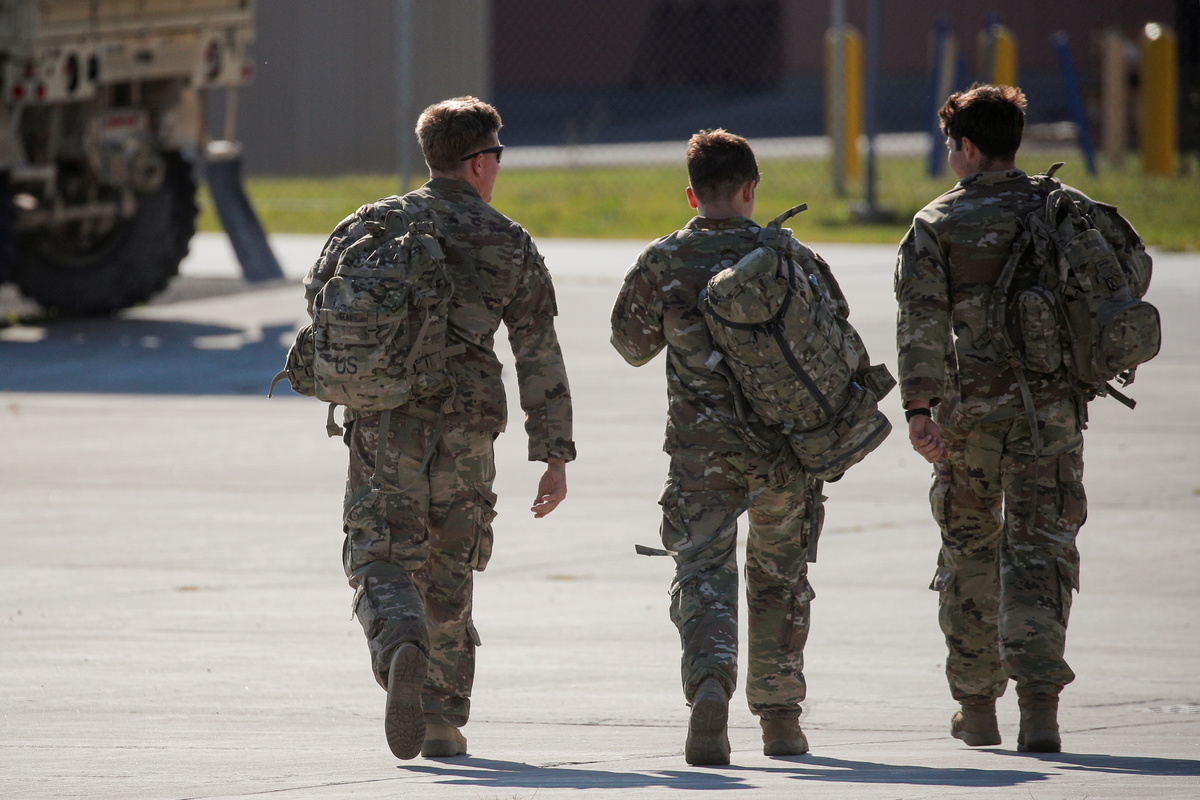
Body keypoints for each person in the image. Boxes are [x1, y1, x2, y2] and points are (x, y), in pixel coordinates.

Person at [303, 96, 576, 761]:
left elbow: (321, 304)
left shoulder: (373, 225)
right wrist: (554, 453)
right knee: (451, 566)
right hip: (467, 427)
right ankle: (441, 721)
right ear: (478, 162)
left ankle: (400, 642)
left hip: (386, 420)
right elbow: (537, 351)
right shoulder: (508, 240)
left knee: (378, 550)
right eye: (498, 155)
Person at [895, 84, 1151, 752]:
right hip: (1052, 416)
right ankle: (1040, 710)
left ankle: (977, 707)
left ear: (967, 147)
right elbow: (1131, 273)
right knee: (1043, 552)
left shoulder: (936, 223)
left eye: (950, 144)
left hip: (967, 422)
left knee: (969, 553)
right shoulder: (1063, 207)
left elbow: (921, 323)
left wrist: (919, 408)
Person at [610, 129, 826, 765]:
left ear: (692, 194)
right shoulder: (790, 257)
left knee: (703, 573)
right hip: (784, 450)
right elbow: (833, 340)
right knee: (780, 577)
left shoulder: (663, 260)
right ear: (751, 190)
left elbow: (630, 346)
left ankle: (709, 688)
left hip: (700, 453)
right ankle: (780, 721)